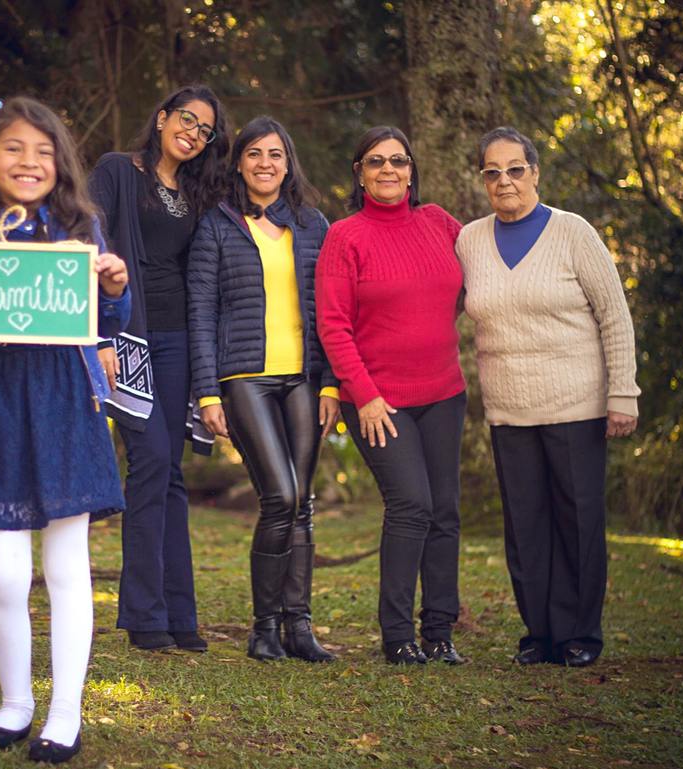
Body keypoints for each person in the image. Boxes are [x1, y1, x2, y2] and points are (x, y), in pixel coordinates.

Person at [0, 96, 130, 763]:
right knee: (6, 573)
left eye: (44, 152)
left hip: (67, 405)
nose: (29, 162)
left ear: (60, 164)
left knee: (67, 568)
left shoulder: (81, 226)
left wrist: (116, 284)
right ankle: (15, 703)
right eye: (14, 148)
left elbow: (110, 322)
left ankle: (64, 715)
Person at [455, 126, 640, 668]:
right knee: (526, 526)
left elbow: (614, 315)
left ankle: (581, 633)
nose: (504, 181)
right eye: (493, 172)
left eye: (515, 169)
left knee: (577, 520)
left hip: (577, 404)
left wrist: (622, 392)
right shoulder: (469, 240)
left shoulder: (572, 232)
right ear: (483, 179)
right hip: (509, 410)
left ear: (535, 172)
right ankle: (539, 633)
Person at [187, 117, 340, 662]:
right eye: (254, 154)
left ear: (288, 162)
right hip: (243, 377)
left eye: (276, 154)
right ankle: (262, 628)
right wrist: (207, 394)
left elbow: (332, 308)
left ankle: (299, 627)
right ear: (239, 163)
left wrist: (332, 385)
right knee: (280, 496)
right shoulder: (217, 225)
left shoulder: (313, 223)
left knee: (303, 505)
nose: (265, 164)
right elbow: (200, 312)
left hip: (304, 377)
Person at [316, 126, 467, 667]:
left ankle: (441, 632)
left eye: (398, 161)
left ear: (411, 168)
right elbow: (334, 327)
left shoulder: (441, 224)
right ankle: (397, 635)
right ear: (359, 172)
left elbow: (479, 282)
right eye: (376, 161)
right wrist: (367, 396)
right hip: (378, 400)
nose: (388, 170)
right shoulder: (345, 236)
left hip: (445, 392)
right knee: (411, 505)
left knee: (445, 510)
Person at [89, 86, 230, 652]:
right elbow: (89, 241)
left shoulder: (197, 193)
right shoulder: (118, 171)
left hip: (178, 338)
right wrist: (99, 329)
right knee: (147, 463)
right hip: (126, 332)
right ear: (163, 116)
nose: (193, 132)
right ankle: (145, 616)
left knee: (170, 471)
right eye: (187, 119)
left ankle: (179, 614)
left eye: (205, 130)